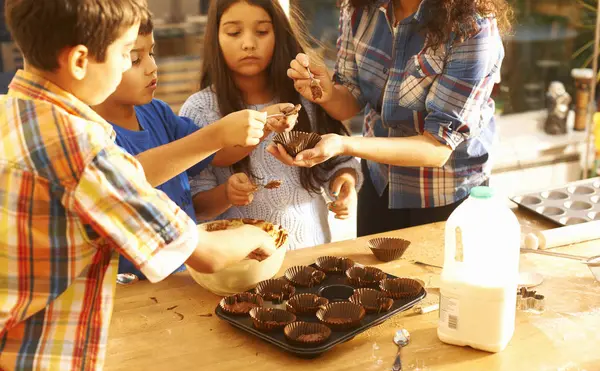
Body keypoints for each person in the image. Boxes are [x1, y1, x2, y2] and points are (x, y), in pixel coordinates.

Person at [0, 1, 275, 371]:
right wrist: (261, 237)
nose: (147, 66)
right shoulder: (84, 150)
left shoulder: (11, 112)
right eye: (126, 54)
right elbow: (206, 253)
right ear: (80, 60)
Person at [276, 0, 511, 235]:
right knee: (373, 271)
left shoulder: (472, 27)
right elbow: (350, 99)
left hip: (447, 191)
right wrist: (326, 94)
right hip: (380, 179)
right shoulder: (359, 9)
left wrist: (343, 145)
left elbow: (437, 148)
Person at [93, 16, 286, 280]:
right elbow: (128, 181)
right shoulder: (94, 137)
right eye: (135, 59)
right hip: (134, 285)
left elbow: (216, 154)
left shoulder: (157, 112)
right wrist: (217, 134)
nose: (152, 67)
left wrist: (264, 124)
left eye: (151, 53)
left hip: (185, 274)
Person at [179, 0, 363, 250]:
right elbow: (196, 204)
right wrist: (227, 194)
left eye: (262, 31)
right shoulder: (200, 109)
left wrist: (346, 184)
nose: (248, 43)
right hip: (240, 265)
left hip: (311, 251)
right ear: (216, 38)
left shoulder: (304, 97)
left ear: (279, 34)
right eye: (234, 32)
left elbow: (338, 161)